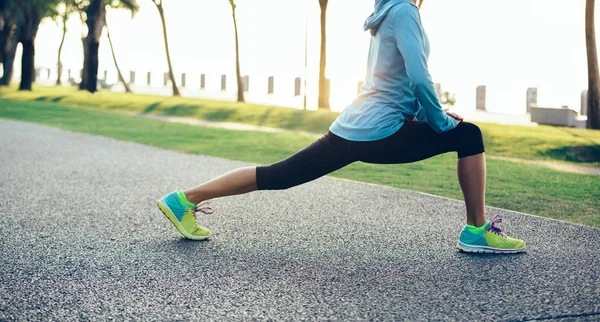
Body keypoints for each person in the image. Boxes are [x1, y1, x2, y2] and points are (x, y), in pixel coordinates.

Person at [156, 0, 525, 253]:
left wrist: (426, 116)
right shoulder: (405, 12)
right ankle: (476, 231)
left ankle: (184, 198)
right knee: (469, 135)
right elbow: (419, 77)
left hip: (352, 127)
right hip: (381, 132)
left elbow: (393, 82)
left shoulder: (385, 12)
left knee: (277, 175)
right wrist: (439, 118)